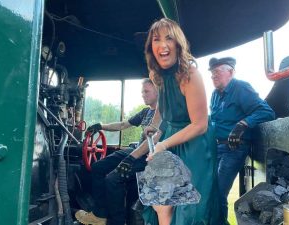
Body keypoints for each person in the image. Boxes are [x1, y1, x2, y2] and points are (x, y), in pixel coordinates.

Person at [136, 18, 222, 225]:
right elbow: (165, 111)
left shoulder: (190, 74)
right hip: (168, 141)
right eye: (157, 40)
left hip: (195, 145)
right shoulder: (155, 74)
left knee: (189, 209)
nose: (163, 45)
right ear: (151, 47)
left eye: (169, 38)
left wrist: (163, 144)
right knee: (161, 204)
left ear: (178, 44)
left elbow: (200, 125)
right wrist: (155, 127)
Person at [75, 78, 158, 225]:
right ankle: (99, 215)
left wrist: (131, 158)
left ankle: (116, 222)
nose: (143, 95)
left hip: (148, 156)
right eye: (142, 92)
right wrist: (101, 126)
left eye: (146, 91)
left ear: (157, 91)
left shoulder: (162, 113)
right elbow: (122, 124)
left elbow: (155, 140)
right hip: (134, 150)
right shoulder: (145, 112)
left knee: (112, 179)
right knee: (97, 167)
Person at [208, 57, 275, 223]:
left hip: (234, 149)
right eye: (211, 73)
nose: (213, 76)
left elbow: (266, 112)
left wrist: (242, 124)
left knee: (218, 192)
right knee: (209, 191)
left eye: (217, 71)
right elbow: (213, 121)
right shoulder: (215, 95)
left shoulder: (240, 87)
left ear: (230, 72)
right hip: (216, 148)